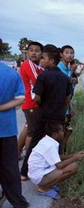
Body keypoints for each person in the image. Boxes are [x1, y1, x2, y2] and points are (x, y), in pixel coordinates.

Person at [21, 45, 72, 179]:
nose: (41, 60)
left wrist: (42, 105)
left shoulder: (43, 77)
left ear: (51, 60)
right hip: (58, 116)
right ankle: (55, 173)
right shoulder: (65, 78)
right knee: (57, 143)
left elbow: (37, 97)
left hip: (43, 114)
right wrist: (61, 109)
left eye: (43, 57)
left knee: (35, 142)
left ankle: (24, 173)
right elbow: (68, 99)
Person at [0, 59, 30, 208]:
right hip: (6, 128)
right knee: (10, 167)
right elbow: (21, 98)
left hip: (6, 129)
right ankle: (18, 202)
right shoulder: (10, 73)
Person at [28, 122, 84, 200]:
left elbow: (57, 157)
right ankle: (44, 187)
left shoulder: (47, 140)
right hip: (39, 176)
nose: (63, 133)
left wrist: (74, 154)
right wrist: (75, 158)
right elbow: (59, 165)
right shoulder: (50, 145)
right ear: (55, 134)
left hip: (36, 174)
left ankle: (46, 184)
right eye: (61, 131)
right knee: (73, 167)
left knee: (69, 165)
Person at [19, 41, 44, 174]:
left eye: (37, 50)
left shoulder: (37, 65)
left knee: (29, 129)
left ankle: (19, 154)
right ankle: (29, 161)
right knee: (33, 133)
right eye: (31, 50)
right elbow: (39, 81)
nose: (34, 53)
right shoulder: (28, 64)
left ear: (41, 53)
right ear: (27, 52)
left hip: (33, 103)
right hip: (31, 103)